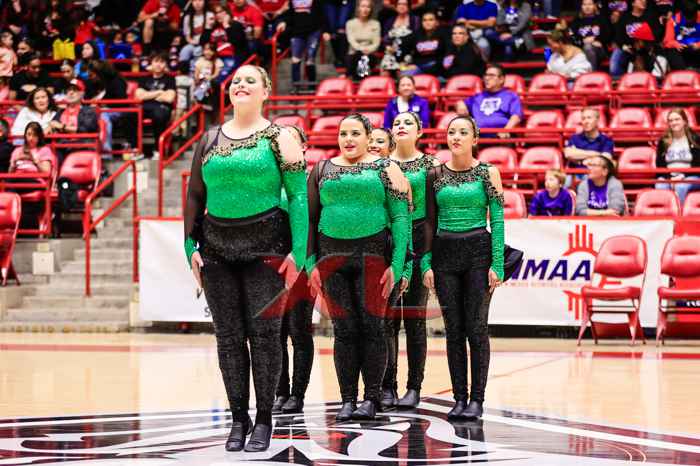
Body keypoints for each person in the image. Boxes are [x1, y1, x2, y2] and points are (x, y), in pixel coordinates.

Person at [184, 65, 308, 452]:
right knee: (228, 338)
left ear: (266, 91)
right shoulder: (208, 139)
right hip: (216, 249)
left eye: (250, 80)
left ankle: (265, 419)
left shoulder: (281, 137)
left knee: (265, 335)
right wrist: (190, 248)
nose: (240, 84)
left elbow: (298, 197)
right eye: (236, 80)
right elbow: (194, 196)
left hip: (267, 247)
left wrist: (299, 252)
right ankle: (238, 419)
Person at [307, 113, 409, 421]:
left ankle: (372, 398)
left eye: (355, 133)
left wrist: (397, 264)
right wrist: (310, 263)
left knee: (373, 328)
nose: (348, 139)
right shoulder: (321, 168)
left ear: (368, 137)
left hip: (374, 256)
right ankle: (348, 399)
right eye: (343, 133)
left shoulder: (386, 167)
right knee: (344, 330)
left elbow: (400, 218)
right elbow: (309, 219)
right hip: (331, 257)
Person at [421, 115, 504, 420]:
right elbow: (428, 222)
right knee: (454, 330)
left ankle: (477, 400)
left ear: (475, 139)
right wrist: (426, 263)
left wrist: (497, 264)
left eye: (462, 132)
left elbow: (497, 220)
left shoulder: (488, 172)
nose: (455, 137)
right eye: (451, 132)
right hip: (444, 253)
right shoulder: (434, 174)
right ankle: (459, 398)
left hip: (478, 253)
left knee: (476, 328)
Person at [382, 111, 439, 410]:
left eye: (408, 123)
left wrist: (427, 259)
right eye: (396, 123)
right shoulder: (380, 163)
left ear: (420, 131)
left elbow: (434, 216)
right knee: (386, 320)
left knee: (414, 320)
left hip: (420, 238)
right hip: (388, 241)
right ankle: (387, 385)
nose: (401, 126)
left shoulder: (431, 166)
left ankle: (414, 386)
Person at [273, 124, 314, 416]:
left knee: (299, 330)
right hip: (271, 265)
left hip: (302, 265)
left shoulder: (312, 182)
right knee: (275, 332)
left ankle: (297, 394)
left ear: (303, 147)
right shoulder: (268, 182)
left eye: (291, 139)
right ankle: (280, 391)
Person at [456, 64, 522, 138]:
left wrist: (506, 130)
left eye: (491, 75)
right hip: (478, 137)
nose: (487, 78)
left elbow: (516, 116)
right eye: (486, 75)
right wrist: (460, 104)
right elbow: (462, 102)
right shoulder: (477, 97)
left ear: (501, 79)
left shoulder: (511, 96)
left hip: (500, 137)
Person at [135, 53, 176, 159]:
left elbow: (169, 98)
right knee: (129, 115)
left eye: (162, 62)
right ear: (151, 63)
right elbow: (139, 96)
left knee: (159, 116)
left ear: (165, 64)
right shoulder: (144, 78)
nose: (158, 64)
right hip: (145, 108)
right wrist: (159, 92)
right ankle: (135, 149)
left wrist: (148, 95)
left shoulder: (170, 79)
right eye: (156, 61)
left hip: (162, 108)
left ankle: (158, 150)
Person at [655, 108, 700, 204]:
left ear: (684, 121)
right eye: (671, 120)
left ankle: (679, 212)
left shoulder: (695, 139)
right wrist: (669, 178)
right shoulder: (663, 141)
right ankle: (666, 212)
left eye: (677, 119)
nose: (674, 123)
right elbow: (659, 165)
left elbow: (697, 164)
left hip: (691, 176)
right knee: (660, 185)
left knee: (681, 186)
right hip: (669, 177)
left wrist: (682, 176)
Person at [276, 0, 327, 84]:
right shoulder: (292, 2)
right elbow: (289, 14)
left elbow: (322, 15)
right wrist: (283, 22)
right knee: (295, 59)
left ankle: (312, 85)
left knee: (310, 59)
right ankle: (296, 85)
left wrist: (326, 31)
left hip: (313, 31)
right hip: (297, 32)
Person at [201, 5, 250, 85]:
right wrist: (207, 28)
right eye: (216, 13)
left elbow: (238, 42)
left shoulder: (236, 25)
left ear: (227, 13)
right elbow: (203, 43)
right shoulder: (214, 27)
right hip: (214, 58)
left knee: (218, 81)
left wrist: (226, 26)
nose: (218, 15)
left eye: (220, 12)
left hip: (231, 56)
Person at [610, 0, 660, 78]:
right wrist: (623, 45)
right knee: (616, 56)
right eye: (640, 0)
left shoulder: (651, 17)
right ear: (633, 3)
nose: (643, 1)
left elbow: (658, 34)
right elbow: (618, 35)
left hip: (647, 48)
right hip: (628, 48)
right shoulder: (625, 18)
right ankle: (618, 81)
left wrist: (646, 43)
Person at [563, 107, 613, 182]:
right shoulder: (575, 138)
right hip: (574, 175)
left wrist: (580, 158)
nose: (586, 121)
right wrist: (596, 154)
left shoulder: (606, 140)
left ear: (597, 120)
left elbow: (606, 158)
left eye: (589, 118)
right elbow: (568, 154)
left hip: (595, 176)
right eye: (583, 118)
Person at [566, 0, 612, 70]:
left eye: (590, 4)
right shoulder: (577, 21)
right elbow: (572, 36)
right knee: (587, 47)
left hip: (600, 50)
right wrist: (583, 41)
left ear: (594, 5)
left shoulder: (602, 19)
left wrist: (595, 39)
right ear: (581, 6)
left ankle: (591, 74)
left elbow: (609, 34)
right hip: (580, 50)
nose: (587, 7)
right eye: (584, 4)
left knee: (588, 47)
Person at [402, 10, 448, 76]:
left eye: (431, 20)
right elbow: (403, 46)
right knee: (404, 74)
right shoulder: (416, 35)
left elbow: (447, 53)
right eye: (424, 20)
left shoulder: (444, 33)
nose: (427, 22)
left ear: (436, 22)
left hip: (437, 67)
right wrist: (406, 63)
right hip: (418, 66)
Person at [379, 0, 419, 75]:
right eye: (399, 4)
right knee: (384, 72)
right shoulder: (390, 20)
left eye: (404, 4)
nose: (401, 6)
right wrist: (387, 46)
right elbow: (385, 38)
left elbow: (417, 38)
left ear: (409, 7)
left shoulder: (415, 20)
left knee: (401, 73)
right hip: (391, 53)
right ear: (396, 6)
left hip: (408, 54)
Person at [345, 0, 381, 80]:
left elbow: (376, 42)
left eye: (368, 7)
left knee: (364, 58)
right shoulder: (350, 23)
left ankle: (355, 78)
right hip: (354, 53)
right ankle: (362, 80)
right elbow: (351, 40)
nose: (365, 9)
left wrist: (368, 50)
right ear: (358, 8)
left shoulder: (376, 24)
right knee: (359, 57)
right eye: (363, 6)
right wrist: (362, 50)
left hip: (370, 54)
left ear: (371, 9)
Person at [662, 1, 700, 71]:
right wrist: (676, 44)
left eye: (692, 17)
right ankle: (682, 72)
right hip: (680, 49)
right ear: (682, 13)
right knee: (671, 50)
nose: (690, 20)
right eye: (687, 17)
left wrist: (698, 45)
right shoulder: (673, 20)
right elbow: (667, 41)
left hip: (697, 48)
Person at [179, 0, 215, 72]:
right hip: (192, 43)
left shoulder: (210, 15)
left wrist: (200, 43)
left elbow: (210, 32)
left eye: (200, 0)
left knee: (197, 51)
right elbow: (187, 36)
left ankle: (194, 72)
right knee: (185, 50)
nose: (197, 3)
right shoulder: (187, 17)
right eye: (195, 1)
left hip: (205, 43)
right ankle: (183, 72)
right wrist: (193, 42)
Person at [323, 0, 356, 67]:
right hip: (329, 2)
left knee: (342, 25)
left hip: (346, 2)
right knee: (332, 27)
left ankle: (342, 58)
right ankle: (338, 58)